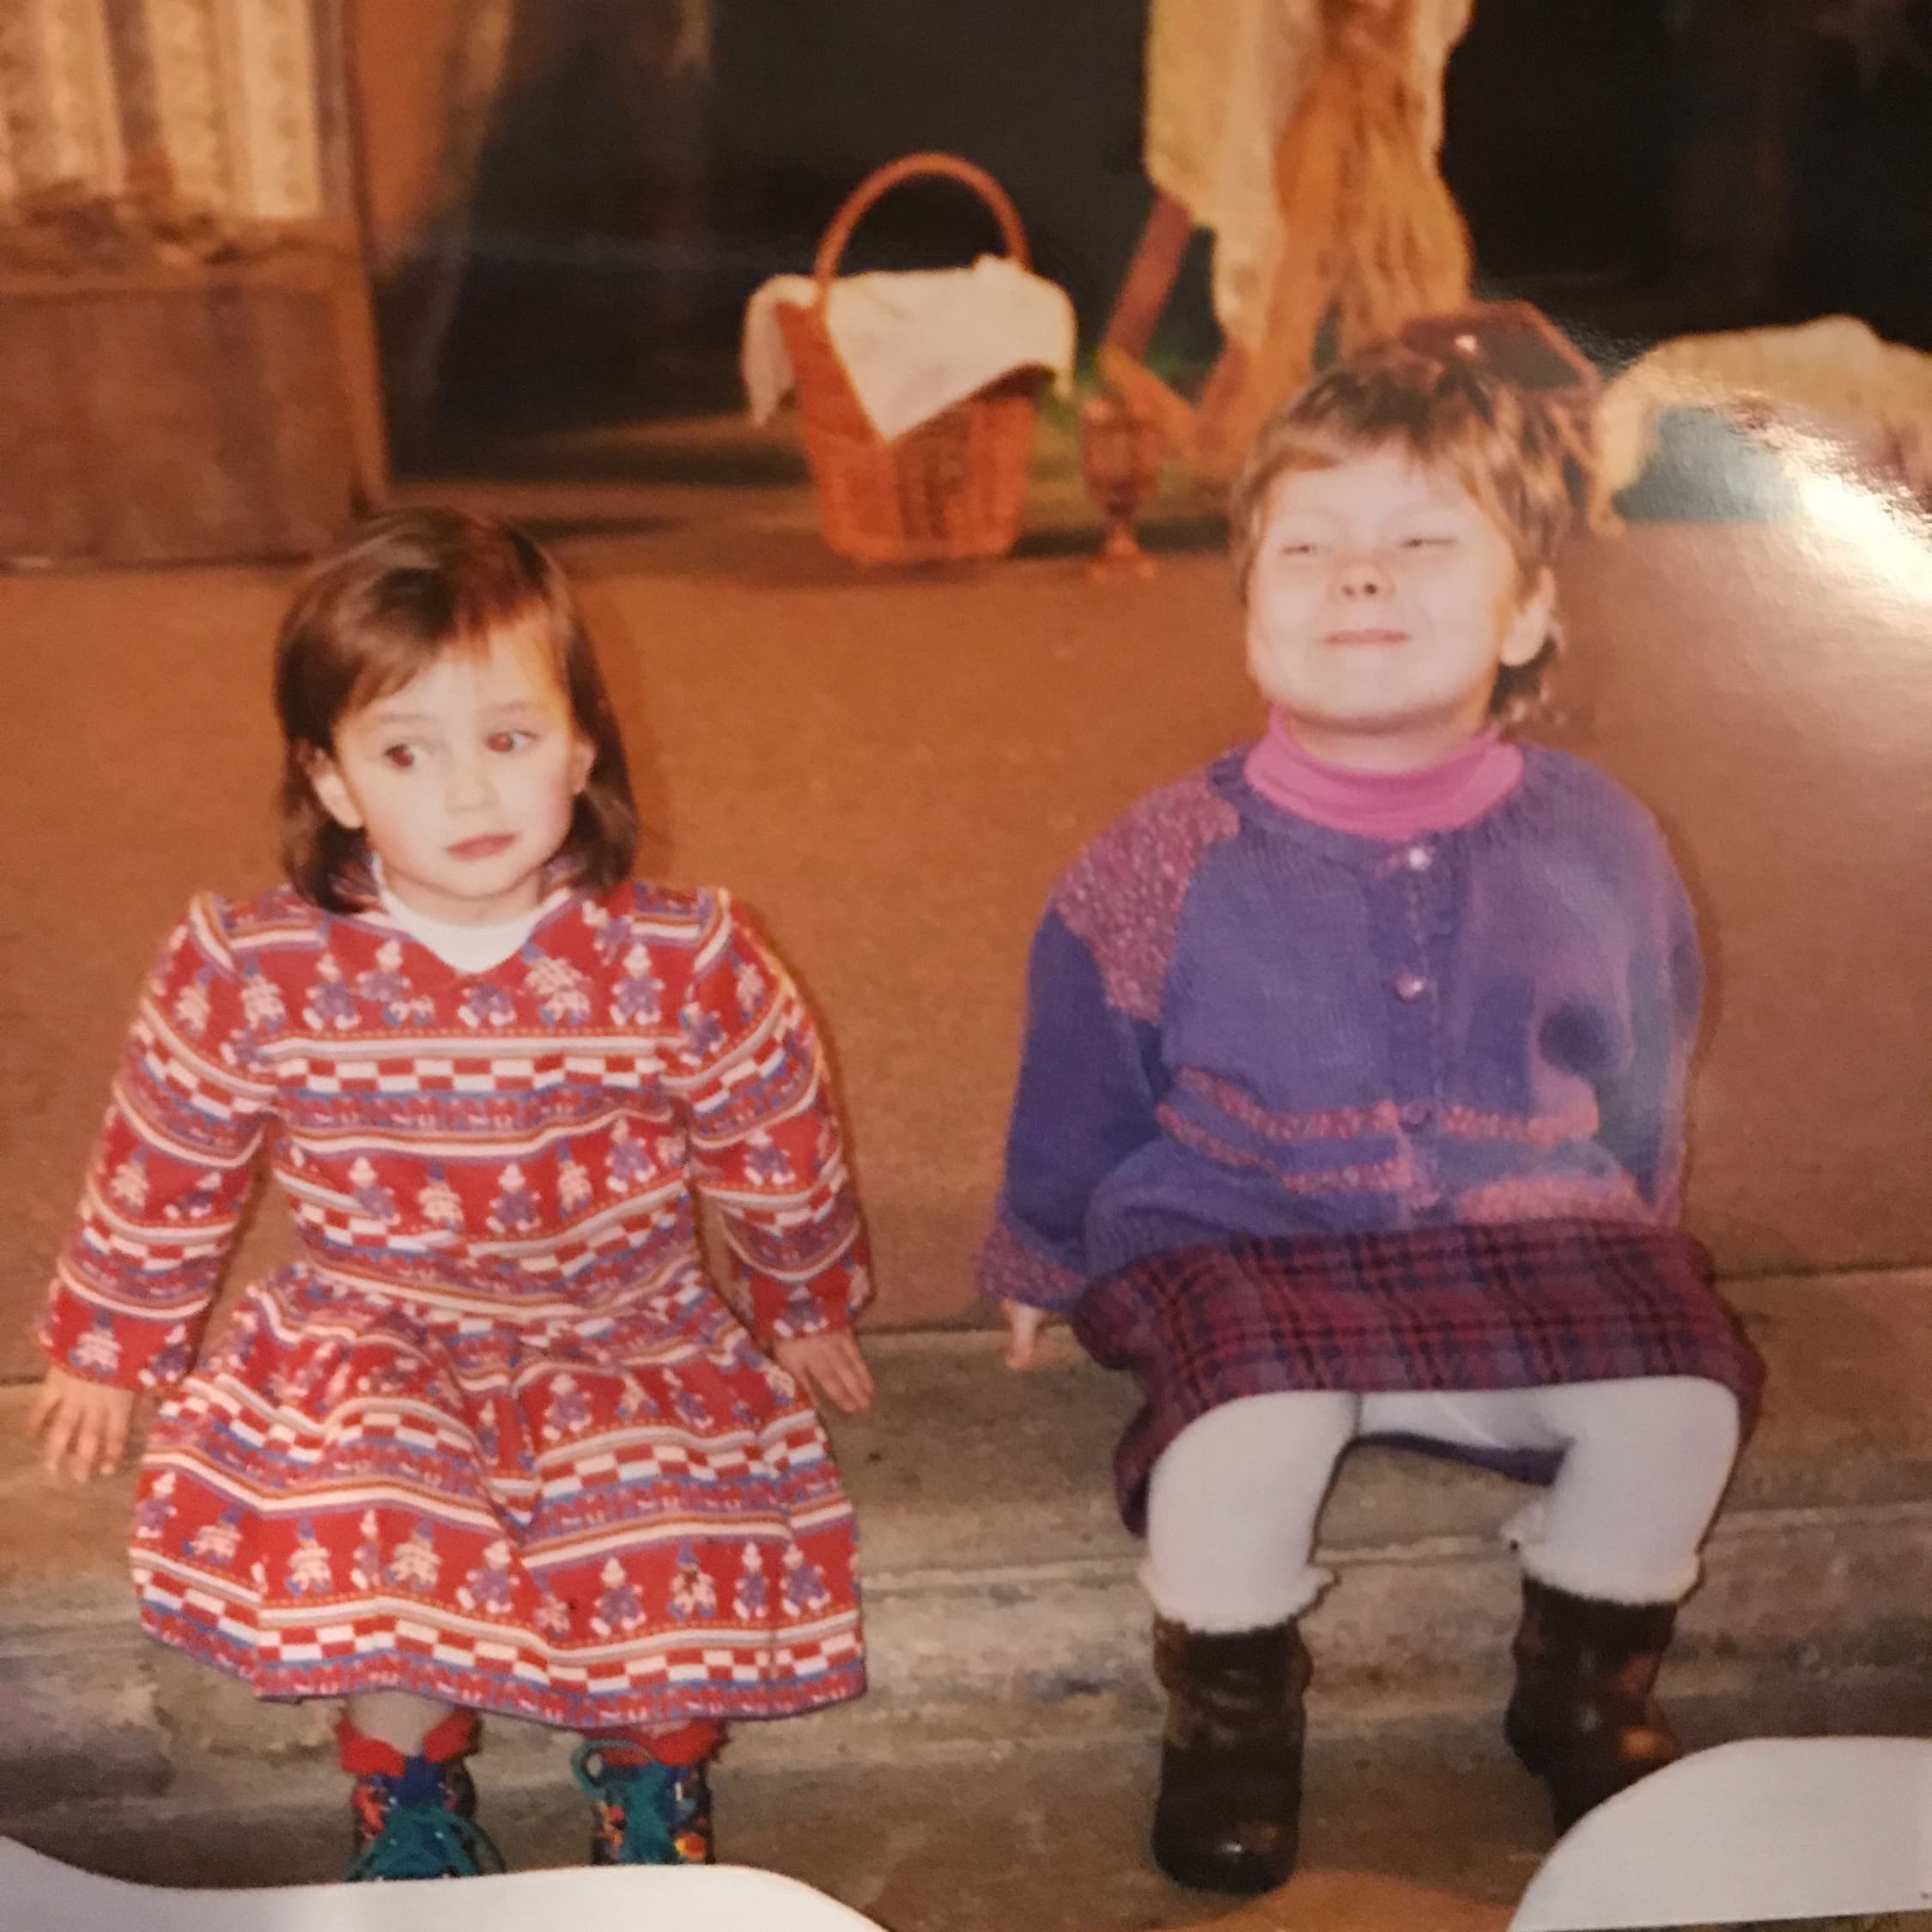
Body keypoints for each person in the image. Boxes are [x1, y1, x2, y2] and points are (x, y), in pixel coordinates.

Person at [979, 318, 1762, 1896]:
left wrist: (1635, 1231)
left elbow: (1642, 1053)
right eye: (1309, 549)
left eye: (1419, 543)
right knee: (1245, 1427)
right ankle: (1231, 1718)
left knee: (1683, 1389)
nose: (1359, 580)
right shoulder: (1159, 855)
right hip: (1240, 1228)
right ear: (1248, 611)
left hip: (1520, 1224)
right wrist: (1040, 1249)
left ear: (1528, 607)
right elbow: (1079, 1062)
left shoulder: (1602, 837)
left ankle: (1582, 1679)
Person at [29, 508, 874, 1880]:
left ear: (585, 742)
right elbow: (167, 1155)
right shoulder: (252, 966)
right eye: (407, 751)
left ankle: (651, 1778)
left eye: (510, 738)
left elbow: (772, 1139)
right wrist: (115, 1343)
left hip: (619, 1323)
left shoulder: (682, 956)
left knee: (657, 1521)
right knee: (377, 1520)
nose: (470, 798)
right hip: (378, 1325)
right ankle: (410, 1795)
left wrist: (801, 1297)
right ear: (337, 780)